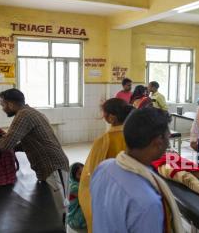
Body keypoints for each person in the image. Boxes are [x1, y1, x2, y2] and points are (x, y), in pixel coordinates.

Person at [91, 108, 183, 233]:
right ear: (158, 141)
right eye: (168, 136)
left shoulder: (103, 168)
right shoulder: (147, 203)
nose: (168, 142)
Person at [0, 88, 69, 214]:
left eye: (3, 105)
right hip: (48, 166)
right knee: (51, 208)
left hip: (53, 166)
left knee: (60, 209)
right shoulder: (30, 112)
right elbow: (29, 142)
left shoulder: (23, 115)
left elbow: (6, 144)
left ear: (10, 103)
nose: (3, 108)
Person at [79, 98, 133, 232]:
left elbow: (92, 174)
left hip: (110, 199)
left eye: (104, 114)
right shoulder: (134, 137)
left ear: (111, 118)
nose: (103, 117)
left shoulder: (103, 141)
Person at [67, 162, 86, 233]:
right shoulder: (74, 187)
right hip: (73, 217)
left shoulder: (76, 183)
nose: (83, 176)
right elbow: (86, 194)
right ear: (73, 176)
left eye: (84, 172)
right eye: (80, 174)